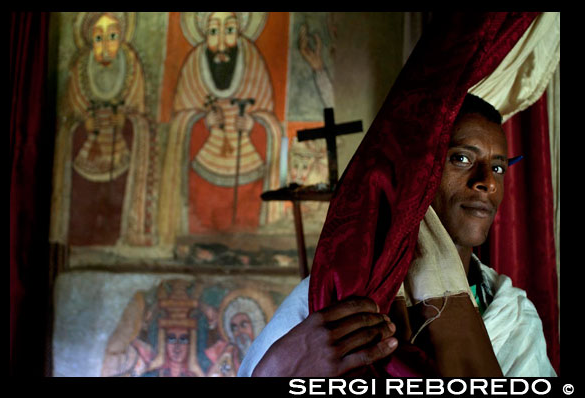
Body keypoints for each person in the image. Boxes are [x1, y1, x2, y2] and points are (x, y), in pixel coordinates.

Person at [237, 94, 556, 377]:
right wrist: (278, 369)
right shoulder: (336, 296)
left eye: (498, 167)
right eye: (461, 158)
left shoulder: (511, 314)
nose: (486, 182)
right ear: (417, 172)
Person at [157, 12, 283, 244]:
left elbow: (271, 121)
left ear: (241, 30)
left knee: (244, 236)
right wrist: (202, 124)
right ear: (203, 32)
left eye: (230, 30)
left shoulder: (253, 60)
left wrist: (255, 125)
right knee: (201, 237)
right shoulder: (194, 65)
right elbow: (178, 124)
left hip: (247, 172)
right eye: (214, 31)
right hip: (202, 174)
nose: (223, 43)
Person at [49, 12, 156, 248]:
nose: (106, 46)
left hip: (121, 160)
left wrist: (126, 123)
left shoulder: (132, 69)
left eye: (113, 36)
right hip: (83, 162)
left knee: (114, 223)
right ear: (88, 39)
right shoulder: (79, 71)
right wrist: (81, 126)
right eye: (99, 38)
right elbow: (65, 121)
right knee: (82, 222)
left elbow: (142, 119)